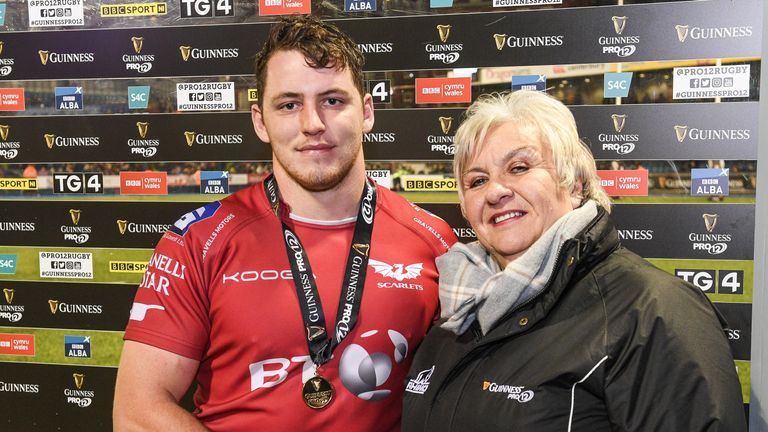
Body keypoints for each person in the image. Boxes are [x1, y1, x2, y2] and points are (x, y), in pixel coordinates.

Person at [113, 15, 456, 431]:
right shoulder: (199, 239)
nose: (312, 123)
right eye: (289, 104)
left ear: (366, 111)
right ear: (261, 121)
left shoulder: (434, 240)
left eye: (332, 100)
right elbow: (137, 413)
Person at [401, 90, 746, 431]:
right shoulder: (455, 307)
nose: (495, 191)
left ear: (575, 184)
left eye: (518, 167)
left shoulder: (653, 309)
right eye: (477, 180)